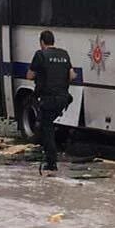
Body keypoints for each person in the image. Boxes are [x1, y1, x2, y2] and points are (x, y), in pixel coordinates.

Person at [26, 30, 74, 172]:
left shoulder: (40, 55)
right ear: (53, 41)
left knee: (46, 129)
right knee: (48, 126)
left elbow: (29, 76)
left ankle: (51, 163)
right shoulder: (64, 54)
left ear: (42, 42)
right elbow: (72, 75)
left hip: (49, 99)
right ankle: (56, 151)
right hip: (64, 98)